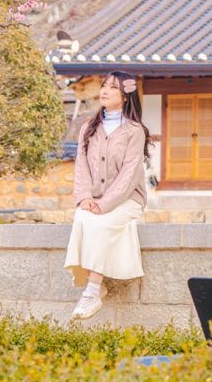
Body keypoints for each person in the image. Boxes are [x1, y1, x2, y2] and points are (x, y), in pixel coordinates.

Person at [64, 70, 152, 320]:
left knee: (100, 223)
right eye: (104, 86)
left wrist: (105, 204)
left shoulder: (135, 131)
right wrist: (84, 198)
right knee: (82, 217)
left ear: (125, 95)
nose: (105, 90)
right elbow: (81, 166)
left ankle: (92, 290)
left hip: (127, 200)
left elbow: (129, 173)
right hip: (94, 201)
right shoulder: (88, 129)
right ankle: (96, 285)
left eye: (113, 88)